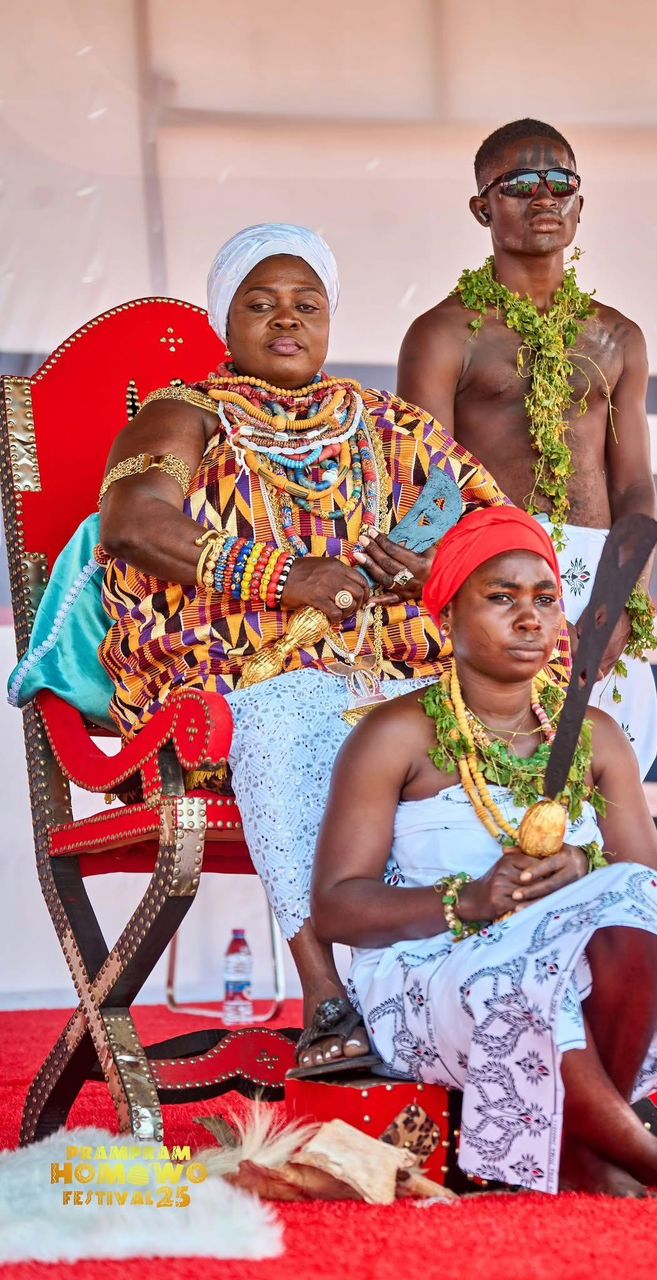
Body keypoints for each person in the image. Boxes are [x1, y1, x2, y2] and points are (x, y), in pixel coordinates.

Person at [97, 223, 515, 1076]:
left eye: (306, 305)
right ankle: (328, 999)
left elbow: (494, 534)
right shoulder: (183, 414)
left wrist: (433, 568)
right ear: (227, 320)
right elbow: (135, 526)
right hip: (230, 679)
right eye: (260, 303)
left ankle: (468, 995)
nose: (286, 320)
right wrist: (287, 577)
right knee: (301, 717)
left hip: (385, 668)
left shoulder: (385, 423)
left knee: (462, 729)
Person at [312, 507, 657, 1197]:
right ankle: (645, 1154)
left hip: (566, 979)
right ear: (446, 614)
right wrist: (466, 901)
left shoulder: (596, 735)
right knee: (527, 974)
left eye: (546, 600)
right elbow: (336, 911)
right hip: (428, 977)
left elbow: (654, 895)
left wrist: (584, 872)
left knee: (637, 900)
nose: (530, 620)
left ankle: (582, 1147)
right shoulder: (393, 736)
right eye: (501, 598)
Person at [398, 117, 657, 777]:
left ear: (580, 202)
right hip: (494, 576)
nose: (543, 197)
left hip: (601, 573)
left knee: (603, 787)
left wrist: (623, 601)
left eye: (560, 182)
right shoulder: (442, 333)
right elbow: (428, 486)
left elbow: (634, 486)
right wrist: (474, 596)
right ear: (482, 206)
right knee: (499, 781)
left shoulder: (619, 336)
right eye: (518, 183)